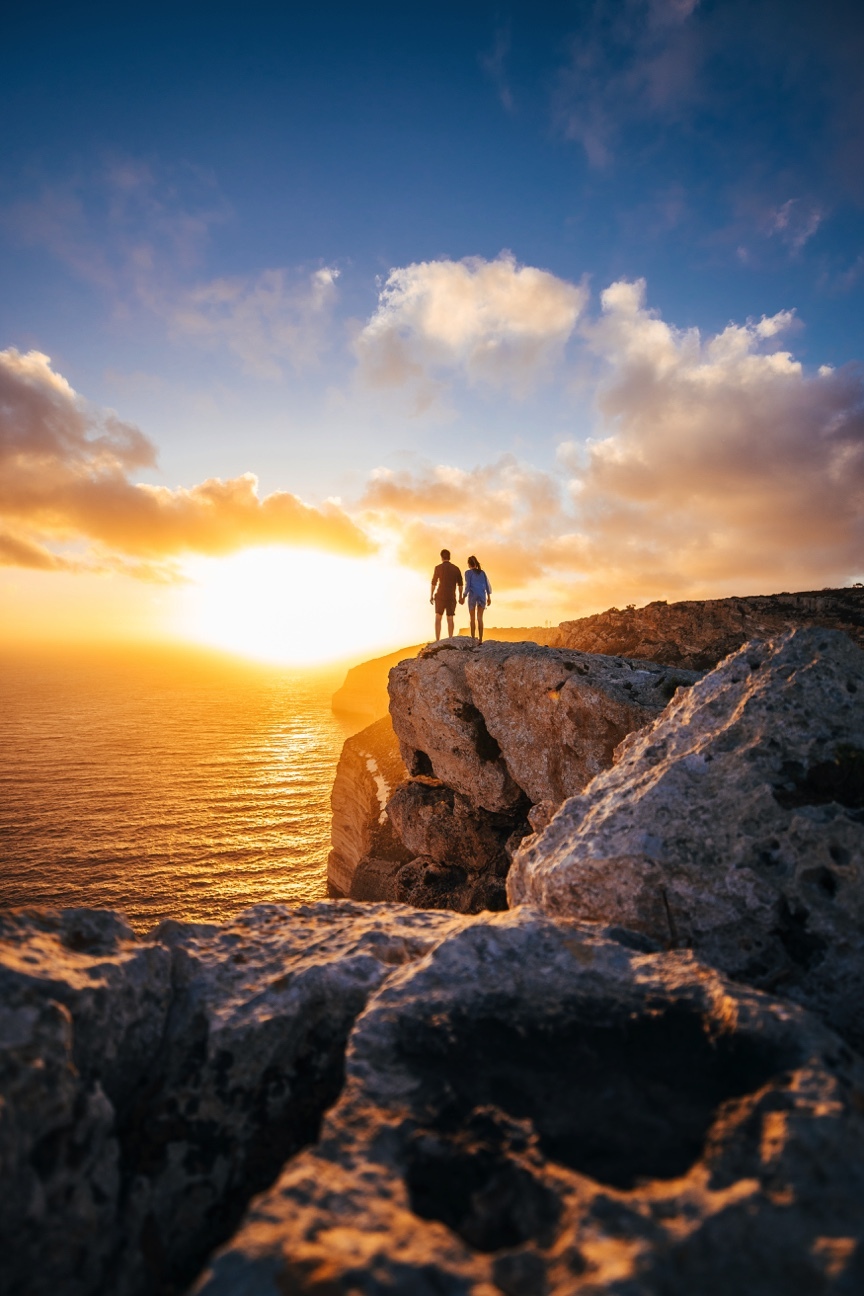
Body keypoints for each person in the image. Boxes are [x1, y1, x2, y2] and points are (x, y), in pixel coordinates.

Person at [430, 548, 463, 640]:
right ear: (449, 557)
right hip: (451, 596)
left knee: (438, 617)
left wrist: (431, 595)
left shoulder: (438, 568)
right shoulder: (456, 569)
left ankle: (437, 640)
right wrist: (460, 596)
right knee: (450, 618)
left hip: (440, 595)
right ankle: (451, 638)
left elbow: (434, 583)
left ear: (441, 557)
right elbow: (460, 584)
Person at [460, 554, 491, 643]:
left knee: (472, 618)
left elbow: (468, 586)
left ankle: (473, 638)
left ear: (469, 564)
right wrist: (489, 597)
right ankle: (480, 639)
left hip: (473, 596)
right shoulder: (482, 572)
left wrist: (464, 596)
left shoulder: (468, 573)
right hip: (482, 596)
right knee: (480, 618)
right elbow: (487, 586)